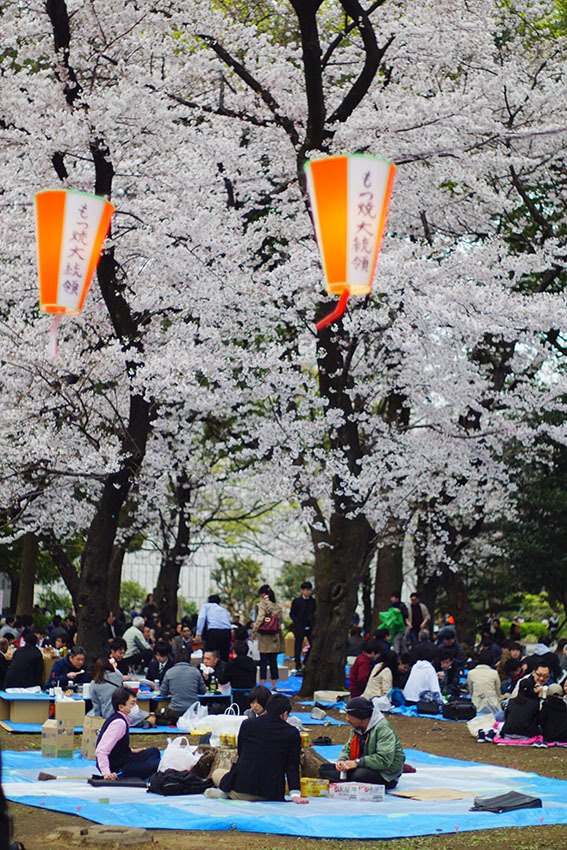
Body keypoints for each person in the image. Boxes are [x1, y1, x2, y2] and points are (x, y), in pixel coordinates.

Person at [205, 693, 308, 803]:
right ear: (285, 714)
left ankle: (227, 792)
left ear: (267, 708)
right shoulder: (292, 733)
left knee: (218, 773)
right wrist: (295, 794)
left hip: (242, 787)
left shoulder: (247, 724)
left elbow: (241, 751)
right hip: (271, 793)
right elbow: (292, 765)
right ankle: (227, 793)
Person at [319, 697, 405, 788]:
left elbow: (384, 760)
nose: (347, 718)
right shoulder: (356, 728)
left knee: (359, 774)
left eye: (350, 715)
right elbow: (348, 748)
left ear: (361, 716)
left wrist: (357, 763)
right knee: (324, 769)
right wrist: (342, 760)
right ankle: (349, 780)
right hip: (364, 766)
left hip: (385, 774)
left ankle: (347, 780)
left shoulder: (383, 729)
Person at [95, 687, 160, 780]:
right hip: (120, 768)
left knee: (154, 751)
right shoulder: (119, 723)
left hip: (125, 758)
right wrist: (106, 773)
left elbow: (117, 745)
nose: (136, 706)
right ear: (121, 707)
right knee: (159, 763)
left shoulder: (122, 719)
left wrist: (131, 751)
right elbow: (101, 750)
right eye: (132, 703)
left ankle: (147, 773)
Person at [90, 657, 155, 728]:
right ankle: (143, 722)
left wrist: (98, 720)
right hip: (121, 711)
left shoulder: (93, 684)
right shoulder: (116, 676)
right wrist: (114, 667)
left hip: (107, 715)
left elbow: (96, 706)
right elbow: (120, 675)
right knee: (139, 715)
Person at [156, 648, 206, 725]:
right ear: (189, 659)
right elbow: (203, 691)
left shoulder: (169, 672)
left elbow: (163, 693)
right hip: (193, 710)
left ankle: (171, 722)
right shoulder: (196, 672)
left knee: (157, 712)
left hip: (175, 711)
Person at [253, 584, 284, 690]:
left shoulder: (262, 605)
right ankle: (273, 685)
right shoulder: (278, 607)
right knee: (273, 662)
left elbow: (260, 618)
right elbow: (279, 622)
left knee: (263, 662)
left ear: (263, 594)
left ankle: (262, 684)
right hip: (274, 637)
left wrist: (254, 631)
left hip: (264, 637)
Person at [218, 640, 257, 712]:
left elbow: (223, 680)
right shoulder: (252, 663)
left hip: (236, 694)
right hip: (251, 693)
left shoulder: (232, 663)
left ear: (234, 651)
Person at [195, 594, 232, 662]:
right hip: (227, 632)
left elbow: (201, 618)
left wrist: (198, 633)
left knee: (210, 654)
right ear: (219, 603)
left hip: (214, 632)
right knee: (224, 656)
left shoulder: (206, 606)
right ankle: (223, 670)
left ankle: (208, 670)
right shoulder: (223, 609)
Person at [290, 581, 316, 675]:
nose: (308, 592)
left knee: (313, 644)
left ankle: (306, 661)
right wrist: (297, 622)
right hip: (299, 627)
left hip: (310, 626)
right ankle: (297, 664)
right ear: (302, 590)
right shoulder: (296, 601)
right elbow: (292, 614)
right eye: (306, 590)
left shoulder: (313, 601)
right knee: (298, 646)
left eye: (309, 590)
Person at [466, 650, 501, 714]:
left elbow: (470, 690)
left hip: (476, 705)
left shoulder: (471, 673)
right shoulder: (495, 673)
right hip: (493, 706)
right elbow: (498, 691)